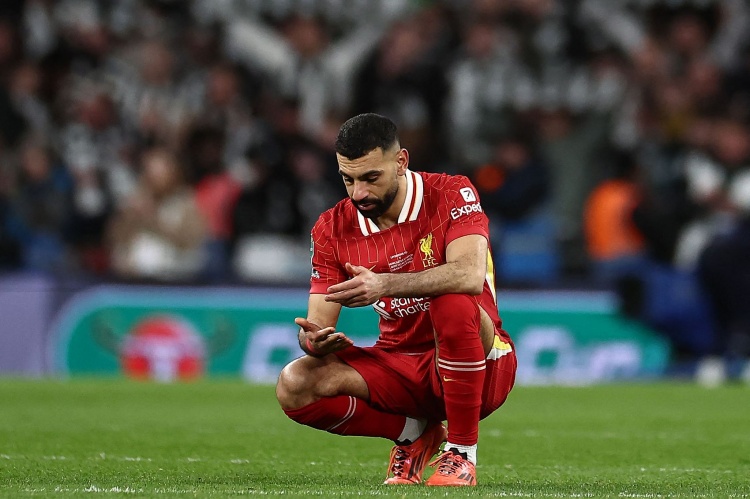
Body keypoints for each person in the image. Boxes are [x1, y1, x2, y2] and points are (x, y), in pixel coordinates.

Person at [275, 113, 517, 486]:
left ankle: (461, 453)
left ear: (401, 162)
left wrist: (385, 285)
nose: (359, 193)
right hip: (400, 366)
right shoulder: (332, 228)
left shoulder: (451, 193)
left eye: (371, 178)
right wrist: (313, 341)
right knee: (295, 383)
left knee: (451, 299)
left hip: (482, 366)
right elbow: (316, 323)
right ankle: (413, 434)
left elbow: (469, 275)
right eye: (348, 179)